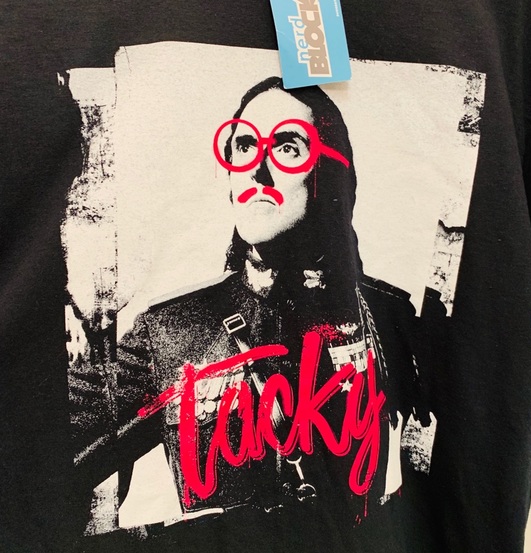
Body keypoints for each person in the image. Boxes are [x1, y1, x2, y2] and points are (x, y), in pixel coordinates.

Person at [69, 76, 428, 530]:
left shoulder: (389, 318)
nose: (257, 171)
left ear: (333, 177)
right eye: (244, 147)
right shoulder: (172, 330)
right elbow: (33, 461)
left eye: (287, 148)